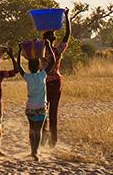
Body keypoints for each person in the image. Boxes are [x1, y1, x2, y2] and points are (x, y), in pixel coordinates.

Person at [15, 41, 58, 161]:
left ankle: (32, 151)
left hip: (30, 108)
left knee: (31, 129)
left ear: (29, 67)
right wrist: (48, 46)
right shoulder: (43, 74)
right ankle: (36, 152)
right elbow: (53, 62)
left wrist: (19, 51)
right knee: (38, 131)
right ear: (39, 66)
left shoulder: (27, 77)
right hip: (40, 108)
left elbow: (19, 66)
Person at [42, 8, 71, 147]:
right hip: (56, 82)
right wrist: (67, 17)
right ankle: (53, 140)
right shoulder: (56, 51)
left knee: (43, 111)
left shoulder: (40, 52)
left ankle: (44, 136)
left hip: (44, 83)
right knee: (53, 112)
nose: (55, 36)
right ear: (52, 39)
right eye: (53, 35)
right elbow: (67, 35)